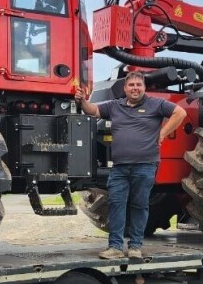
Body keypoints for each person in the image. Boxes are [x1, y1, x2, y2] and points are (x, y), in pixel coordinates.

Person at [75, 71, 187, 260]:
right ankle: (116, 247)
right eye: (131, 85)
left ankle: (135, 246)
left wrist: (163, 133)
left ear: (144, 88)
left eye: (138, 85)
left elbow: (180, 112)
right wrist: (82, 101)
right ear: (125, 88)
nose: (135, 88)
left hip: (145, 166)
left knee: (139, 205)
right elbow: (93, 111)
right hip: (120, 167)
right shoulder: (115, 106)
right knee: (116, 204)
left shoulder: (156, 104)